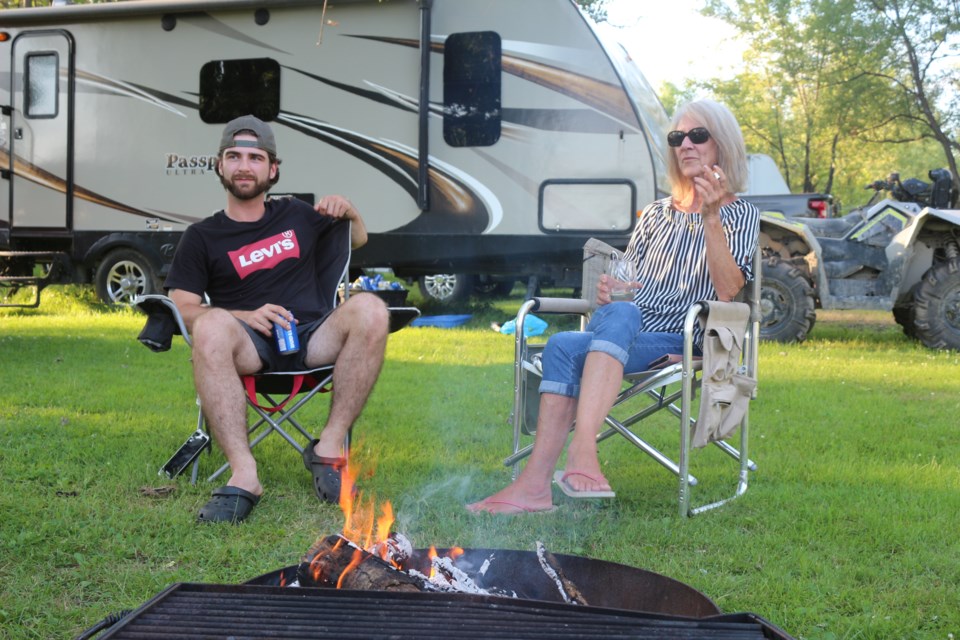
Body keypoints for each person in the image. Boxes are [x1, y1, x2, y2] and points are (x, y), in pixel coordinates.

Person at [467, 99, 760, 514]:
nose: (686, 145)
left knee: (576, 341)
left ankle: (576, 456)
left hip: (686, 338)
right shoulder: (657, 214)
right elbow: (631, 281)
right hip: (628, 329)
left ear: (722, 145)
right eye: (678, 137)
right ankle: (537, 486)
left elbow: (729, 291)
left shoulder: (740, 214)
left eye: (698, 135)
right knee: (567, 341)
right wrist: (612, 289)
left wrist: (711, 218)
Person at [164, 115, 390, 524]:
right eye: (233, 156)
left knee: (372, 308)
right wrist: (240, 314)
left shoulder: (297, 214)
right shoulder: (201, 236)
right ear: (220, 166)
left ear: (273, 169)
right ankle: (244, 475)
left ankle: (329, 447)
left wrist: (350, 210)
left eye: (255, 157)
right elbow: (183, 308)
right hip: (250, 342)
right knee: (211, 324)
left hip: (311, 336)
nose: (244, 166)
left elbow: (356, 240)